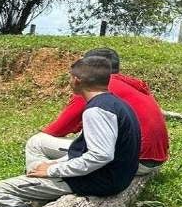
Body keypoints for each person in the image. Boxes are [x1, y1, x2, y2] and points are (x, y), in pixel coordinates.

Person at [0, 56, 140, 207]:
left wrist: (52, 171)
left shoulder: (96, 110)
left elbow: (100, 156)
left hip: (100, 180)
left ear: (78, 80)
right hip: (113, 176)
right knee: (40, 168)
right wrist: (55, 164)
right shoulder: (115, 103)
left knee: (3, 190)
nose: (69, 81)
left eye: (70, 77)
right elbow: (90, 151)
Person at [24, 47, 169, 176]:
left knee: (36, 142)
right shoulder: (133, 85)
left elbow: (57, 130)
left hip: (132, 161)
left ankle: (37, 179)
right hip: (155, 159)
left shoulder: (93, 88)